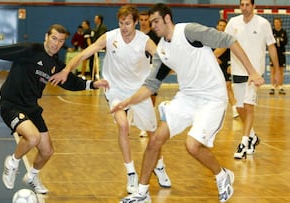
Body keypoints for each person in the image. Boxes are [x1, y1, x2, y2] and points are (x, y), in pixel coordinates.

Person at [109, 3, 265, 203]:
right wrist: (126, 102)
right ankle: (142, 192)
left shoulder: (190, 32)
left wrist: (252, 71)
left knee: (192, 146)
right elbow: (149, 86)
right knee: (155, 139)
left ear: (167, 19)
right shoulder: (162, 51)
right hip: (187, 98)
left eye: (155, 21)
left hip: (212, 98)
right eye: (149, 21)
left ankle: (222, 175)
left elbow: (229, 40)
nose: (152, 25)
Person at [0, 24, 109, 194]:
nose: (56, 44)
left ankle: (32, 176)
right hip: (11, 104)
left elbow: (70, 82)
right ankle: (12, 163)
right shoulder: (30, 50)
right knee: (32, 138)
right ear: (46, 36)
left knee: (47, 151)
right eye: (54, 38)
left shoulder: (55, 64)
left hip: (32, 108)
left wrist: (93, 84)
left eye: (61, 41)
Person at [49, 5, 171, 194]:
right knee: (123, 125)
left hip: (139, 91)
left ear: (136, 22)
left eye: (128, 23)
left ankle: (159, 166)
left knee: (152, 134)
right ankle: (131, 172)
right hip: (115, 90)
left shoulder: (144, 41)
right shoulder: (110, 37)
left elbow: (163, 60)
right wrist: (66, 70)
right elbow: (84, 54)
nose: (124, 27)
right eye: (121, 23)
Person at [224, 0, 280, 159]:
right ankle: (253, 137)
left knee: (248, 106)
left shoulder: (263, 24)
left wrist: (275, 70)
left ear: (253, 6)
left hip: (255, 73)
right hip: (237, 70)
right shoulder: (233, 22)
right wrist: (214, 56)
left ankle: (243, 142)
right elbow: (225, 42)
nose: (244, 7)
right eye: (242, 4)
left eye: (247, 4)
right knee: (240, 108)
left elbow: (271, 46)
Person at [214, 19, 239, 118]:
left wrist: (231, 64)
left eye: (224, 26)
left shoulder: (229, 39)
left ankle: (234, 109)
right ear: (217, 26)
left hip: (225, 65)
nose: (222, 27)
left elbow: (235, 53)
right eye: (220, 25)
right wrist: (214, 58)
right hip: (213, 66)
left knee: (228, 86)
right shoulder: (211, 38)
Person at [270, 17, 288, 95]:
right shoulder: (272, 32)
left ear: (280, 23)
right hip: (273, 54)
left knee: (281, 71)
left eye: (278, 22)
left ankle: (280, 87)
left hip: (281, 54)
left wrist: (280, 41)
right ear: (274, 23)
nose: (277, 24)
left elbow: (285, 42)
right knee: (273, 71)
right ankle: (273, 87)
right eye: (275, 22)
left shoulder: (284, 32)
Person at [89, 14, 107, 79]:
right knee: (92, 61)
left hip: (101, 48)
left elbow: (101, 37)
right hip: (95, 47)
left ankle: (99, 75)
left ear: (99, 20)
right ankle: (93, 76)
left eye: (96, 18)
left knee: (100, 62)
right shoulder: (95, 28)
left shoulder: (103, 27)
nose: (94, 20)